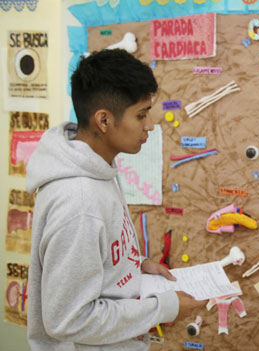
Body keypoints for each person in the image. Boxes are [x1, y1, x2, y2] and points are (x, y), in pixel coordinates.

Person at [26, 49, 203, 351]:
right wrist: (163, 307)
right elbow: (68, 320)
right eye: (141, 114)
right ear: (104, 120)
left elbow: (96, 259)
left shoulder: (98, 167)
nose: (149, 125)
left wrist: (136, 266)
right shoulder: (79, 201)